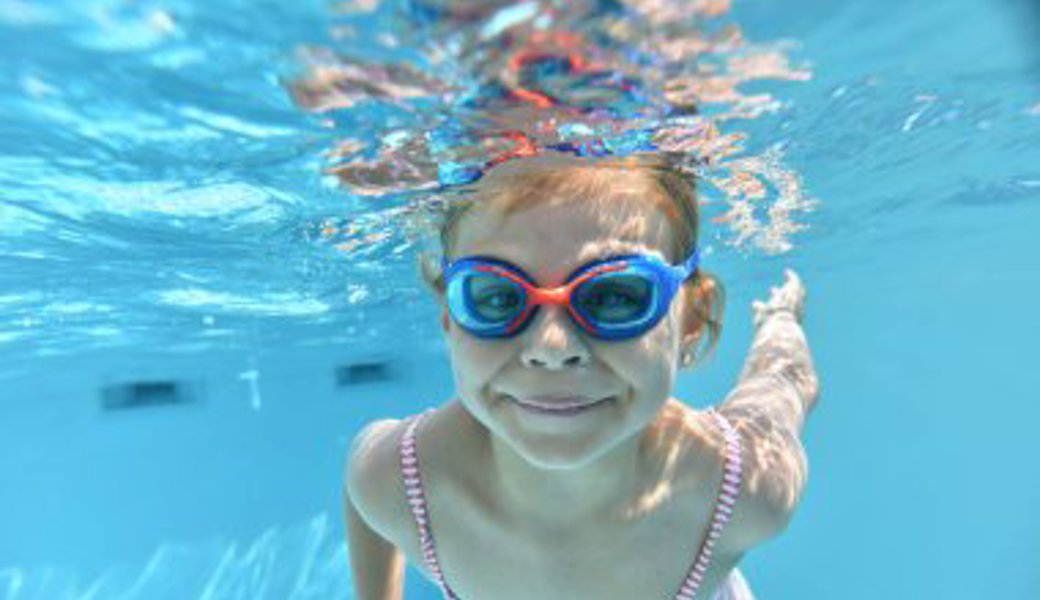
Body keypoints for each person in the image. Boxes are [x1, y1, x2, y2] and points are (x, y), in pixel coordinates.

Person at [344, 152, 819, 599]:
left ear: (693, 319)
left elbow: (784, 389)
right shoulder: (399, 481)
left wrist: (781, 324)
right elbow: (363, 497)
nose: (553, 349)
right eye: (496, 296)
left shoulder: (744, 493)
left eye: (615, 295)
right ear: (449, 318)